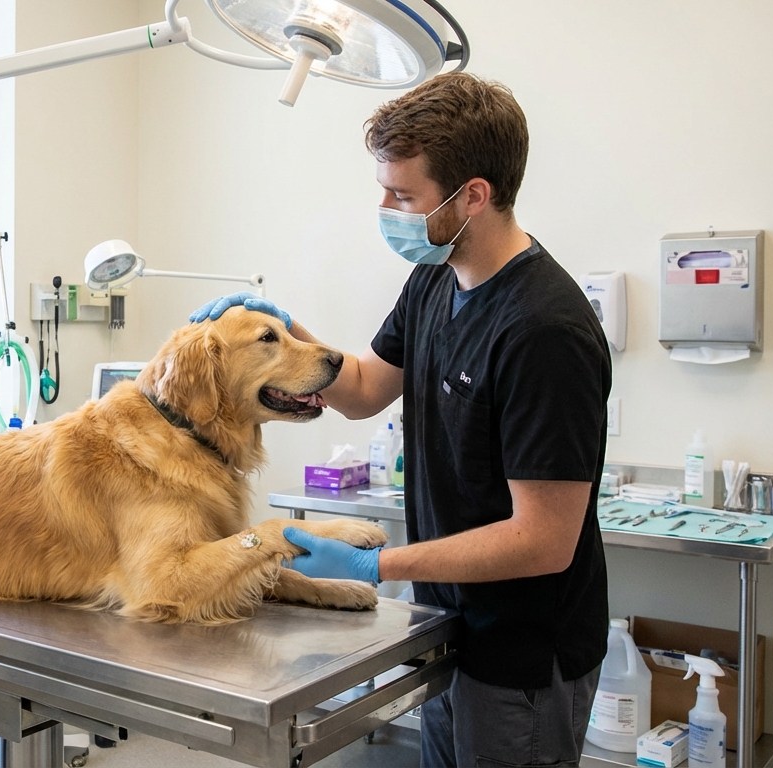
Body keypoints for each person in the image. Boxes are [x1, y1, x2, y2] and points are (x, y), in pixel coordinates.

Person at [193, 73, 611, 767]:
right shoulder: (435, 279)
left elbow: (543, 540)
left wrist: (374, 562)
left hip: (522, 655)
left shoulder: (544, 329)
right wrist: (278, 328)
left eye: (403, 195)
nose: (384, 207)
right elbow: (358, 389)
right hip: (445, 627)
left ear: (473, 195)